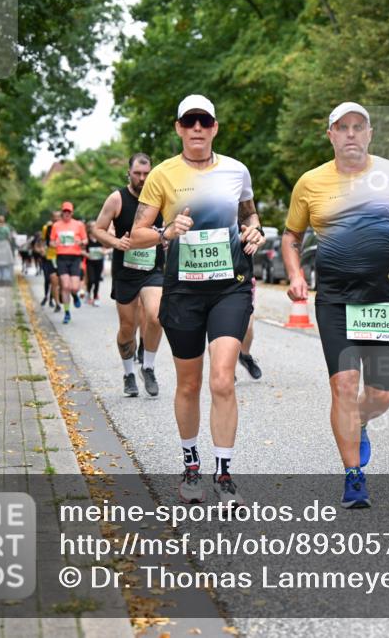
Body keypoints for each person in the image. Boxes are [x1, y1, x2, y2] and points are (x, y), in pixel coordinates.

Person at [281, 102, 389, 509]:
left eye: (358, 127)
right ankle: (353, 477)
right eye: (342, 127)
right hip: (334, 298)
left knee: (381, 395)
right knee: (344, 385)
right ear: (330, 134)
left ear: (369, 134)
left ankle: (361, 421)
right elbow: (291, 236)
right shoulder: (310, 182)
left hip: (382, 297)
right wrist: (295, 274)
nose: (350, 133)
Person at [131, 94, 265, 506]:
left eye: (204, 121)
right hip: (184, 289)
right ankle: (191, 465)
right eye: (189, 122)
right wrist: (168, 231)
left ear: (214, 128)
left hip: (230, 285)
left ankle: (224, 474)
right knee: (189, 383)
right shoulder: (163, 175)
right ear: (178, 128)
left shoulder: (235, 170)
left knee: (223, 378)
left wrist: (254, 232)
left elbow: (249, 215)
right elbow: (137, 234)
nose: (196, 129)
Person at [93, 152, 164, 398]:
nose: (142, 178)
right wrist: (115, 242)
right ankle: (128, 374)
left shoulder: (160, 198)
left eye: (146, 174)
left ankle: (149, 367)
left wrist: (167, 239)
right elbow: (97, 229)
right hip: (125, 271)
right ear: (129, 173)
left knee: (156, 316)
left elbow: (174, 226)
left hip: (153, 269)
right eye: (137, 173)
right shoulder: (117, 199)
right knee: (127, 327)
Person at [50, 202, 88, 324]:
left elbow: (85, 240)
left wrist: (80, 242)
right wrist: (55, 243)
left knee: (74, 287)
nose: (66, 213)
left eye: (69, 212)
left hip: (75, 258)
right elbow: (51, 242)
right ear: (62, 212)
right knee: (65, 286)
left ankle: (75, 295)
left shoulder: (79, 225)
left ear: (72, 212)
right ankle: (67, 313)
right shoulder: (56, 225)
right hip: (61, 257)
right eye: (64, 211)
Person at [41, 211, 61, 311]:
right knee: (52, 280)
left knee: (61, 281)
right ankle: (57, 303)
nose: (56, 219)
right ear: (51, 218)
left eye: (58, 217)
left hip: (63, 256)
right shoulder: (47, 228)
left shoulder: (64, 227)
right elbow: (44, 241)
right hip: (50, 256)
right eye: (54, 217)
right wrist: (43, 249)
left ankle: (60, 296)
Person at [84, 221, 105, 306]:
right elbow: (81, 250)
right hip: (90, 262)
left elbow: (106, 248)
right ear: (89, 228)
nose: (94, 227)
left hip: (99, 262)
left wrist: (104, 252)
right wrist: (87, 254)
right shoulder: (86, 239)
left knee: (97, 280)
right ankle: (88, 293)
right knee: (91, 280)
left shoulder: (100, 238)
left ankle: (96, 297)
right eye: (92, 226)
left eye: (95, 226)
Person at [0, 215, 16, 283]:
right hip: (5, 244)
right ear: (3, 221)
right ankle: (6, 278)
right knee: (6, 262)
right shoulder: (6, 228)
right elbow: (9, 237)